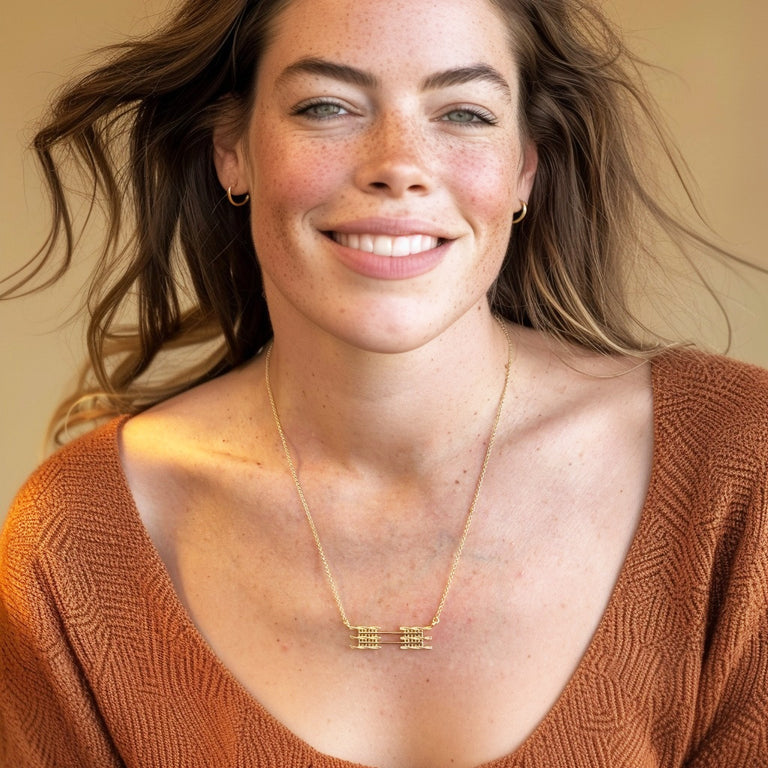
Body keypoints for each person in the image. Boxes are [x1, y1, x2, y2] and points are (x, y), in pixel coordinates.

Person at [1, 0, 766, 765]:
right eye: (327, 106)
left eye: (464, 113)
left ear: (526, 163)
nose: (398, 165)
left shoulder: (740, 475)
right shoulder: (76, 548)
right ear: (231, 147)